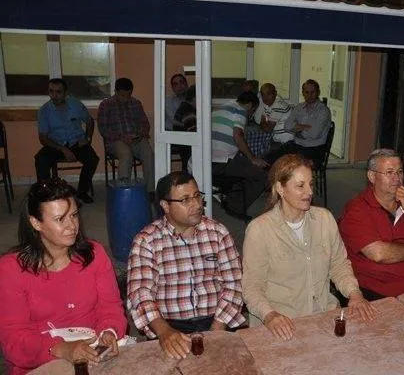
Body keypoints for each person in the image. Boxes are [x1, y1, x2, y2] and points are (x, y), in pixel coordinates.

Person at [0, 178, 127, 375]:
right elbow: (14, 340)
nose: (72, 226)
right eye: (60, 219)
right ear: (36, 223)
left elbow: (110, 306)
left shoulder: (94, 254)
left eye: (74, 215)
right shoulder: (11, 269)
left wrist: (108, 332)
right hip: (40, 363)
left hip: (93, 355)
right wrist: (61, 349)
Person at [242, 154, 376, 340]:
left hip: (324, 314)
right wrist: (270, 315)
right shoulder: (259, 230)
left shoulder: (324, 219)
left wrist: (355, 294)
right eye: (300, 186)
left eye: (311, 184)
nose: (309, 192)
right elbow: (252, 286)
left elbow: (338, 264)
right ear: (280, 188)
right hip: (284, 323)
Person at [127, 171, 245, 359]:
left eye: (197, 196)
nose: (196, 205)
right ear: (165, 205)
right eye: (185, 200)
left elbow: (234, 284)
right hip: (169, 323)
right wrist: (164, 331)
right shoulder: (147, 241)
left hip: (216, 318)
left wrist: (218, 327)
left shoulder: (217, 232)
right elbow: (140, 293)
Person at [338, 149, 404, 300]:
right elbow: (379, 254)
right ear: (372, 176)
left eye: (400, 172)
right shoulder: (356, 209)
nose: (397, 178)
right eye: (389, 172)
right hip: (384, 294)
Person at [34, 78, 98, 204]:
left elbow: (90, 121)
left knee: (92, 159)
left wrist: (88, 138)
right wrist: (63, 149)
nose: (54, 95)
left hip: (76, 142)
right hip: (55, 145)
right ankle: (47, 194)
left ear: (65, 93)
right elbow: (43, 138)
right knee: (40, 160)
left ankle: (82, 192)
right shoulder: (44, 111)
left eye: (58, 92)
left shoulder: (75, 104)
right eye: (51, 92)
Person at [212, 91, 268, 216]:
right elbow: (238, 136)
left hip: (207, 162)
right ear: (249, 105)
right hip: (221, 163)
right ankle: (235, 206)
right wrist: (253, 158)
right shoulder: (240, 110)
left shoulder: (221, 107)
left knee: (241, 161)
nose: (251, 114)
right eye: (253, 110)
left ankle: (229, 198)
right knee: (261, 175)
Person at [98, 77, 155, 193]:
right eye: (122, 95)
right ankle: (124, 191)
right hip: (116, 141)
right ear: (116, 91)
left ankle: (150, 190)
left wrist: (141, 133)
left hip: (136, 138)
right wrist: (122, 137)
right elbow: (103, 129)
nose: (125, 99)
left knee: (148, 153)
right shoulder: (106, 105)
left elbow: (145, 124)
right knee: (126, 153)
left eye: (128, 95)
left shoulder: (136, 103)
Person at [276, 79, 331, 167]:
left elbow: (314, 134)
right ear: (303, 93)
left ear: (318, 92)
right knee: (272, 157)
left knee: (289, 163)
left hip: (314, 149)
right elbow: (287, 126)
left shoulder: (323, 110)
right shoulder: (299, 107)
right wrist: (305, 127)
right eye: (306, 92)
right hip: (297, 144)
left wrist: (296, 129)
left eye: (312, 92)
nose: (309, 95)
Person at [253, 83, 294, 149]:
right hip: (278, 139)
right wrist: (264, 123)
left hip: (287, 142)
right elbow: (263, 123)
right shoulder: (267, 104)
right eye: (263, 95)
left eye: (268, 94)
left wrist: (264, 122)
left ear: (275, 93)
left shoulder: (278, 105)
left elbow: (267, 129)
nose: (265, 97)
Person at [166, 74, 192, 171]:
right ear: (173, 88)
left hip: (192, 132)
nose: (179, 86)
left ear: (186, 84)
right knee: (187, 145)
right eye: (175, 84)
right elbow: (175, 121)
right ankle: (186, 174)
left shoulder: (194, 99)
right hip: (175, 135)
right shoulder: (168, 101)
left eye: (182, 82)